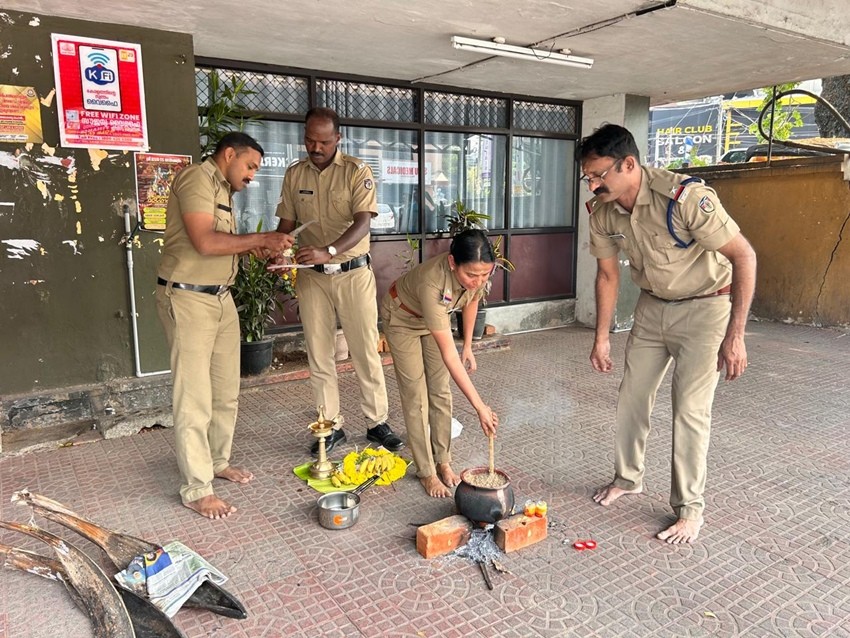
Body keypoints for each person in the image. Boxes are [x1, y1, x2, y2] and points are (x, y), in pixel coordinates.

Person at [577, 123, 757, 544]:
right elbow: (607, 276)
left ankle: (690, 509)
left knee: (689, 409)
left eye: (600, 174)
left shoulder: (685, 198)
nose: (593, 183)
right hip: (653, 307)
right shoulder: (603, 212)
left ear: (629, 164)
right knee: (631, 396)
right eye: (588, 176)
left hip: (708, 308)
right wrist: (602, 335)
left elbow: (744, 255)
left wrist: (736, 335)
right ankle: (628, 478)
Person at [156, 132, 294, 519]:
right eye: (249, 166)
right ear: (229, 154)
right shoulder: (196, 179)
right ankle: (197, 488)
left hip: (220, 297)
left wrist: (261, 248)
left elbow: (224, 246)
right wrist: (261, 237)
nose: (252, 176)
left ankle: (216, 461)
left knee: (225, 391)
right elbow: (204, 241)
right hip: (188, 298)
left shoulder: (224, 191)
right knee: (194, 396)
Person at [275, 107, 402, 456]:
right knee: (319, 354)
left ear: (338, 139)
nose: (315, 147)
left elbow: (363, 223)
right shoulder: (294, 174)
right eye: (309, 141)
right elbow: (286, 223)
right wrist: (277, 248)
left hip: (353, 274)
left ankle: (377, 423)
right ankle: (329, 427)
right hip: (312, 279)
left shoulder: (356, 171)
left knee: (364, 351)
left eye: (323, 141)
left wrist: (328, 251)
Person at [380, 229, 499, 498]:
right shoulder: (433, 282)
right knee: (416, 396)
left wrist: (468, 345)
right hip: (402, 318)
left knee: (441, 391)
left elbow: (472, 300)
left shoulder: (477, 275)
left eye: (485, 274)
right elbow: (449, 354)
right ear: (452, 262)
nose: (478, 280)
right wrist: (480, 406)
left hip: (434, 319)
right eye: (471, 275)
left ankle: (443, 460)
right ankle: (426, 472)